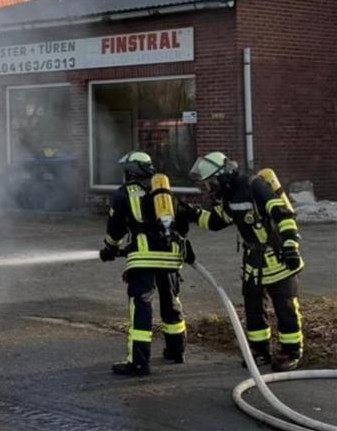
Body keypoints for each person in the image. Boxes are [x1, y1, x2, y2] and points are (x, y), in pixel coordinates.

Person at [185, 152, 304, 372]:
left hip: (277, 258)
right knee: (253, 309)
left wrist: (290, 247)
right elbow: (216, 220)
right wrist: (190, 214)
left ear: (223, 175)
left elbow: (282, 214)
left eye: (211, 183)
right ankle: (259, 350)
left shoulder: (253, 186)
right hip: (253, 262)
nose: (210, 189)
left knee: (285, 308)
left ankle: (290, 352)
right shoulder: (229, 195)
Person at [100, 151, 192, 376]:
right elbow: (182, 224)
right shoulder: (163, 190)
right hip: (170, 258)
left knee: (141, 308)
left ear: (132, 171)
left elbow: (115, 229)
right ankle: (176, 350)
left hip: (143, 259)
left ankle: (139, 363)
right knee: (171, 303)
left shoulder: (125, 194)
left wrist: (109, 249)